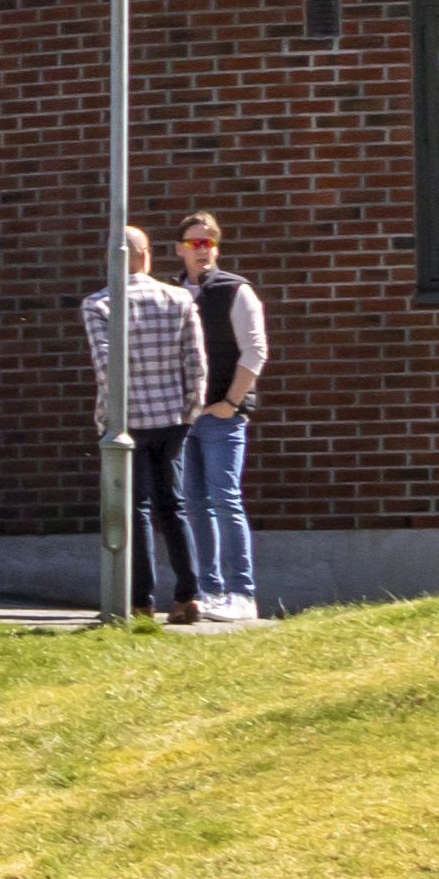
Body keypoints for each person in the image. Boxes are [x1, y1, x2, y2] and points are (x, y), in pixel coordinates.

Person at [78, 226, 212, 624]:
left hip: (128, 420)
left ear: (112, 259)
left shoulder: (99, 304)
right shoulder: (178, 298)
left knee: (135, 509)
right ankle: (188, 596)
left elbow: (105, 369)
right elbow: (197, 363)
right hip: (172, 417)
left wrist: (105, 418)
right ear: (147, 255)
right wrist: (190, 412)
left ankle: (141, 602)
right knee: (174, 508)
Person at [176, 212, 270, 622]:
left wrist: (231, 403)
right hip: (185, 417)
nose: (203, 250)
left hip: (222, 416)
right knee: (194, 503)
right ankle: (209, 590)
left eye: (210, 242)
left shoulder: (236, 291)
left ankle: (242, 594)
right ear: (179, 249)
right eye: (195, 243)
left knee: (224, 499)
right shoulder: (174, 293)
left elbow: (255, 352)